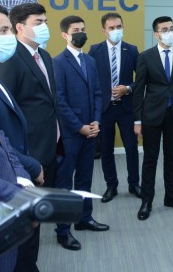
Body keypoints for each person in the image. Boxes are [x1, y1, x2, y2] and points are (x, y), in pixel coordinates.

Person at [0, 3, 46, 272]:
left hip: (14, 182)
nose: (10, 37)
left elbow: (0, 138)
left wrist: (23, 173)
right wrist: (20, 188)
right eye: (3, 30)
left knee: (23, 257)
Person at [53, 15, 109, 251]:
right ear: (65, 35)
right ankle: (63, 231)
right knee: (65, 183)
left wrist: (95, 121)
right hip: (70, 134)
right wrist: (80, 127)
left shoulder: (90, 61)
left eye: (83, 29)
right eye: (76, 30)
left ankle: (84, 218)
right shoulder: (58, 62)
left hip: (91, 130)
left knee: (85, 178)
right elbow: (59, 101)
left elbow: (97, 93)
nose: (81, 33)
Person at [133, 16, 173, 221]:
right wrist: (137, 120)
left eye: (171, 28)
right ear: (156, 34)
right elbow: (139, 90)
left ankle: (171, 197)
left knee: (172, 157)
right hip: (151, 115)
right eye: (164, 29)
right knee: (150, 159)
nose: (169, 32)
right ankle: (146, 201)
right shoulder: (145, 56)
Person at [0, 3, 61, 188]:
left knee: (48, 197)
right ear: (20, 27)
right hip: (29, 149)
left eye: (45, 22)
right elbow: (6, 109)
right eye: (38, 22)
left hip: (51, 143)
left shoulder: (45, 56)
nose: (44, 26)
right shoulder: (10, 58)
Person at [88, 12, 141, 203]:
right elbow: (90, 81)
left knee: (131, 148)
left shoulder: (132, 50)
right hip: (104, 109)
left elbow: (141, 80)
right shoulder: (94, 51)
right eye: (111, 28)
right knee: (106, 150)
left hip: (126, 109)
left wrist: (128, 88)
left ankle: (134, 184)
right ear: (104, 30)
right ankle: (111, 186)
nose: (116, 30)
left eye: (119, 27)